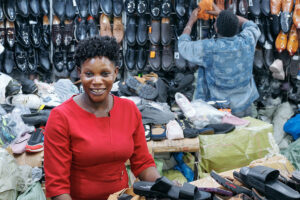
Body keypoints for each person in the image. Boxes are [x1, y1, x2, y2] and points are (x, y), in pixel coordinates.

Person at [44, 36, 161, 200]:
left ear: (115, 73)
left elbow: (142, 163)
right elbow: (57, 187)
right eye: (89, 74)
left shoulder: (129, 110)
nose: (97, 81)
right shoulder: (61, 117)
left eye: (105, 73)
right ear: (79, 73)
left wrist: (165, 187)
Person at [178, 3, 261, 117]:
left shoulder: (209, 48)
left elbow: (183, 46)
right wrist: (224, 14)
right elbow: (251, 25)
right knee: (245, 131)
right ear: (236, 26)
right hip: (244, 103)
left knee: (224, 133)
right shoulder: (247, 41)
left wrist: (191, 21)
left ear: (216, 28)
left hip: (220, 108)